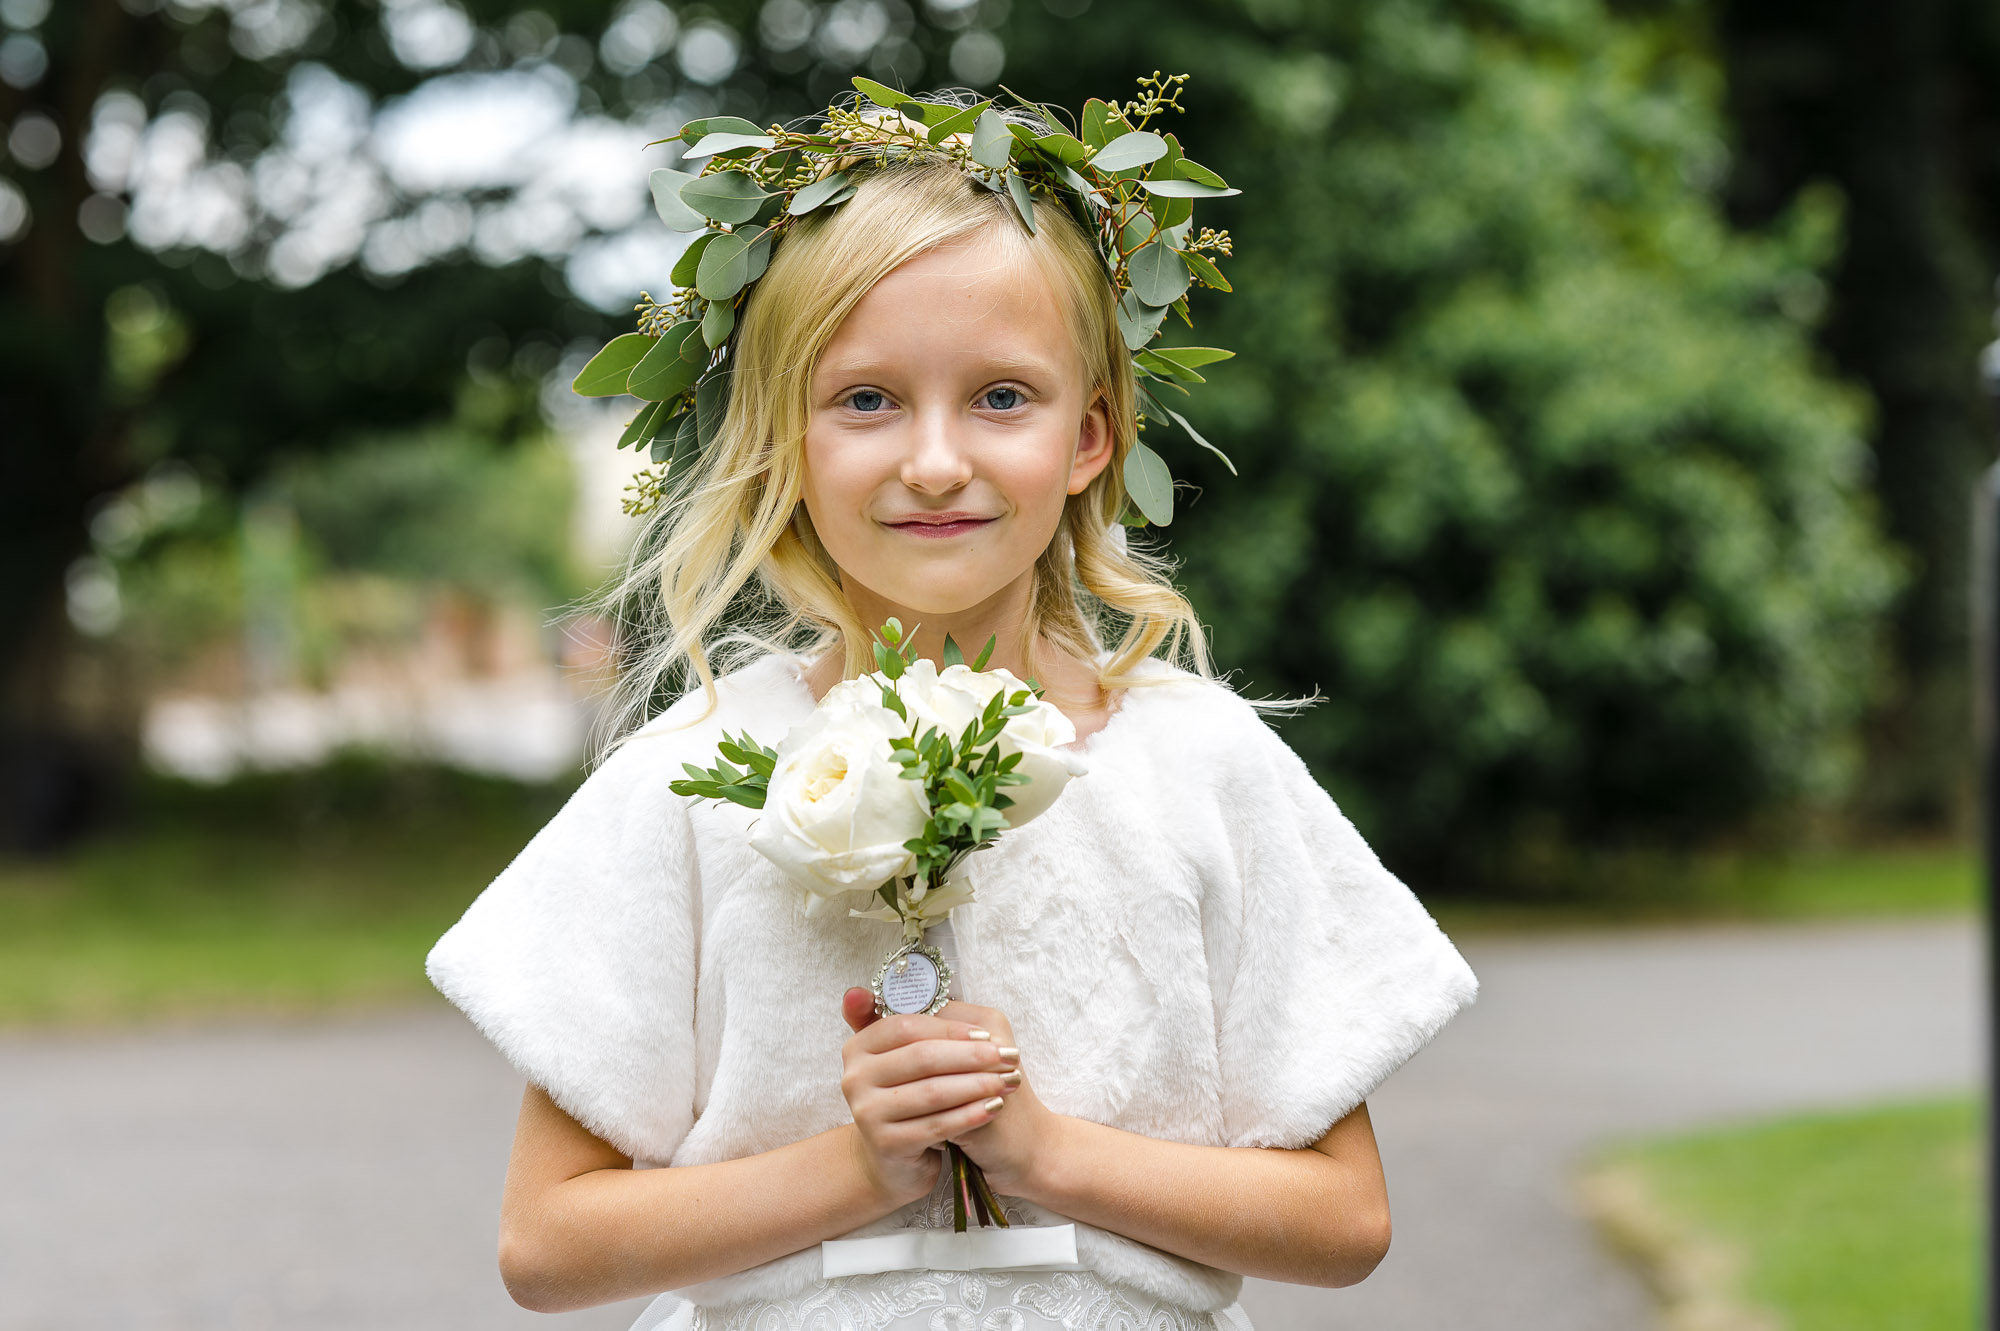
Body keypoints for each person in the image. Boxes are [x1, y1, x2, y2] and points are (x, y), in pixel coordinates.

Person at [427, 82, 1480, 1331]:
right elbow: (548, 1245)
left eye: (999, 397)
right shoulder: (692, 773)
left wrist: (1041, 1153)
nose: (935, 459)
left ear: (1089, 438)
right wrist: (855, 1165)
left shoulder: (1200, 765)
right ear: (787, 437)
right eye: (866, 400)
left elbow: (1342, 1221)